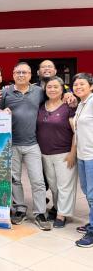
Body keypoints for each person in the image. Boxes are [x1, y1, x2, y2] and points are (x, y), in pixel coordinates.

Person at [0, 62, 52, 230]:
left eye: (24, 72)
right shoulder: (5, 92)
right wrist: (2, 112)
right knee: (14, 179)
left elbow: (52, 102)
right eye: (18, 72)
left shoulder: (39, 92)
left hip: (32, 144)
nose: (21, 75)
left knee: (37, 180)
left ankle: (40, 212)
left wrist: (67, 96)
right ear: (13, 74)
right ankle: (20, 209)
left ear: (30, 75)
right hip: (12, 144)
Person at [37, 76, 77, 228]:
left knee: (64, 185)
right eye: (49, 87)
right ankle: (58, 207)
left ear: (62, 89)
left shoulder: (69, 107)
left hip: (64, 153)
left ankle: (62, 215)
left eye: (56, 87)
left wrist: (73, 153)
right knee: (53, 185)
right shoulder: (41, 106)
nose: (52, 89)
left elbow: (76, 132)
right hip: (45, 153)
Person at [72, 73, 93, 247]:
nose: (78, 87)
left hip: (92, 155)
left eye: (82, 84)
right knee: (87, 191)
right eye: (76, 85)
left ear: (91, 86)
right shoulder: (81, 104)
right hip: (82, 155)